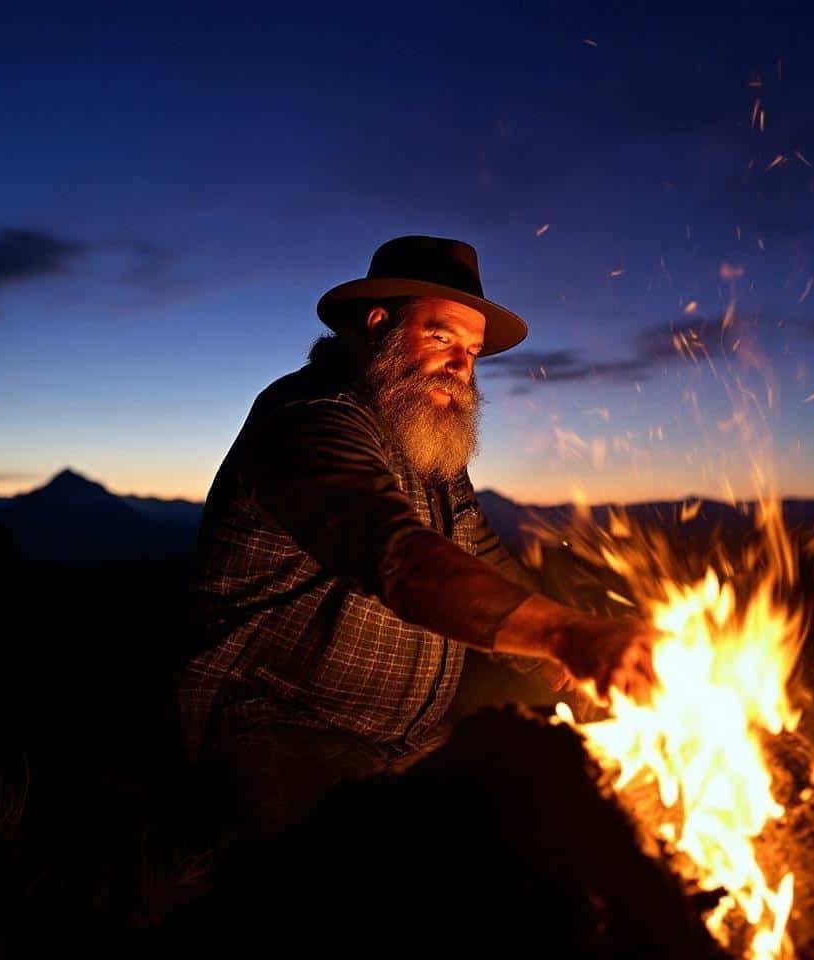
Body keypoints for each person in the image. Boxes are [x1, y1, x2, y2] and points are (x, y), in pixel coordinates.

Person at [177, 235, 656, 853]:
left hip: (405, 743)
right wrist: (566, 635)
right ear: (378, 325)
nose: (462, 367)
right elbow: (396, 556)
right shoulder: (310, 421)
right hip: (274, 733)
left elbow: (481, 556)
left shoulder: (427, 447)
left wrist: (570, 666)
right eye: (441, 338)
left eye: (473, 352)